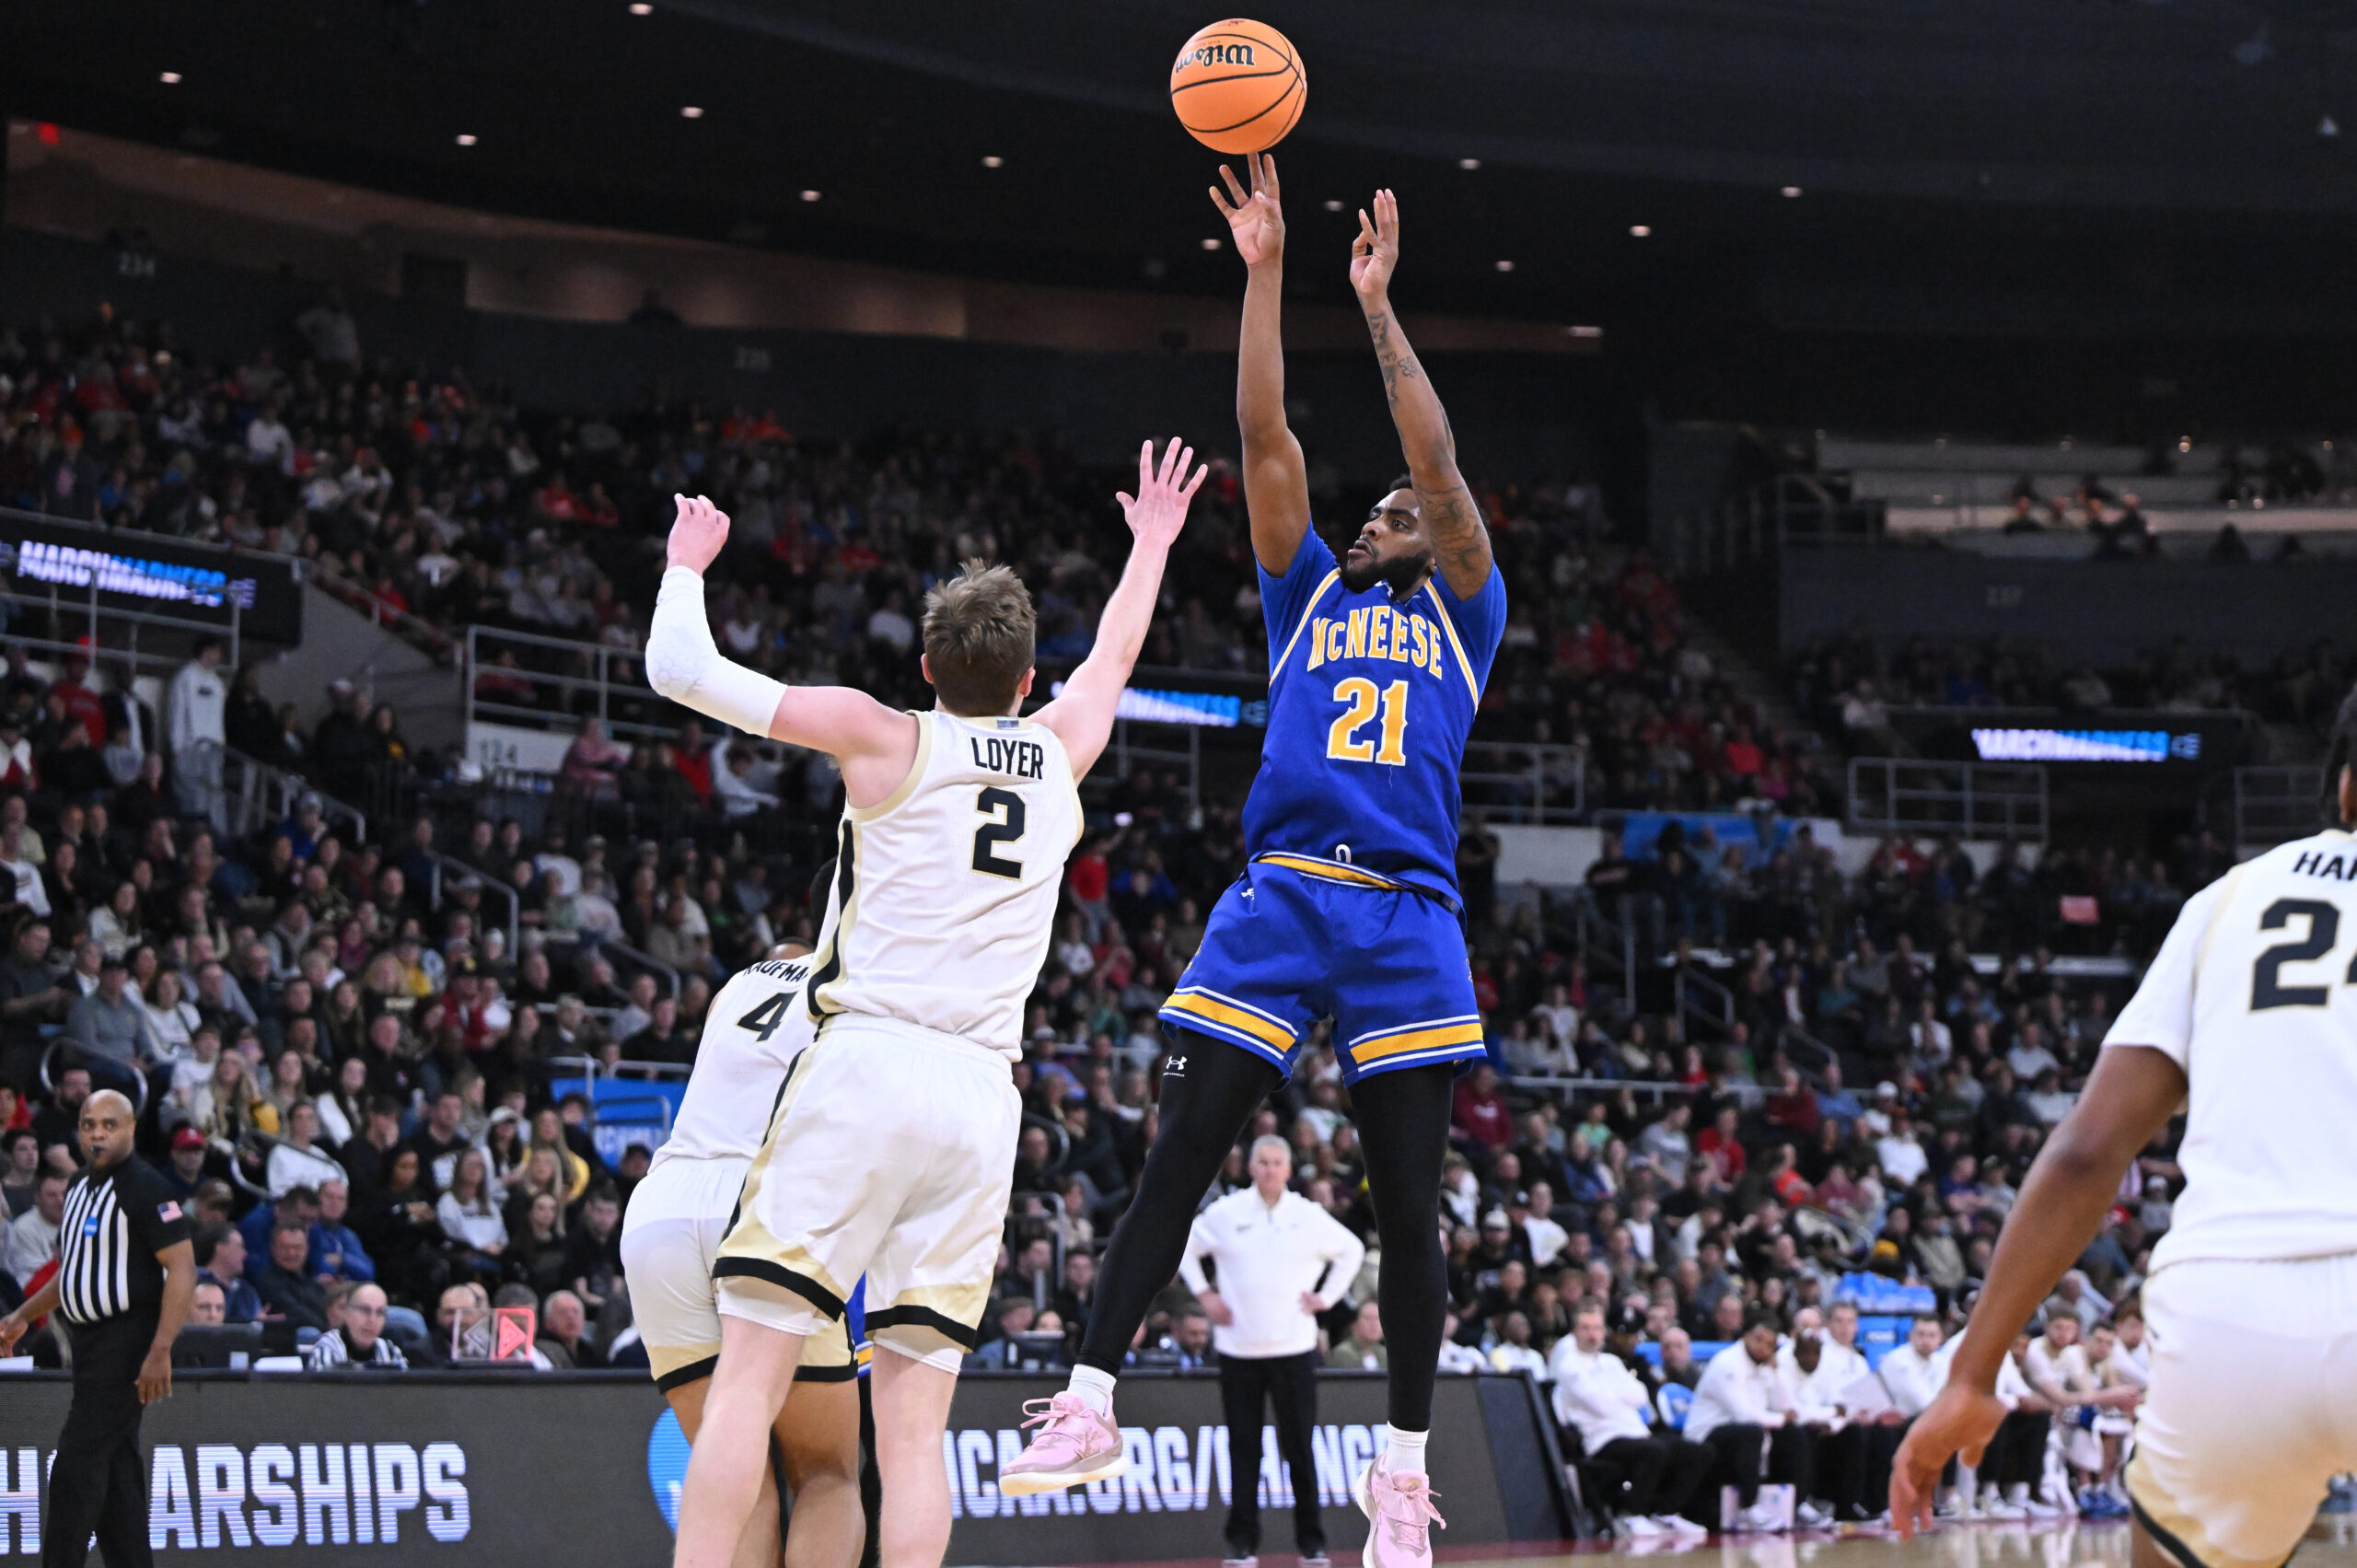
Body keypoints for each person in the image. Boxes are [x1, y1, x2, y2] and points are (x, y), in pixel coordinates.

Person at [1008, 157, 1505, 1568]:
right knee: (1177, 1153)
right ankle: (1089, 1399)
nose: (1370, 522)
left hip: (1408, 912)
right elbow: (1263, 430)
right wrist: (1267, 270)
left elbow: (1438, 468)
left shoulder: (1467, 611)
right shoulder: (1303, 598)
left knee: (1408, 1210)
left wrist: (1380, 306)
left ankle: (1399, 1475)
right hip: (1284, 893)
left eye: (1390, 518)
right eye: (1370, 516)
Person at [647, 435, 1205, 1568]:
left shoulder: (884, 734)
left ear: (927, 667)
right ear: (1025, 680)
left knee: (748, 1381)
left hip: (867, 1064)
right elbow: (1113, 654)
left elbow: (681, 670)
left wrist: (685, 565)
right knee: (913, 1436)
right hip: (980, 1095)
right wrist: (1150, 539)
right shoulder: (1060, 747)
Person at [1894, 682, 2357, 1564]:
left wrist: (1972, 1372)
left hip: (2236, 1313)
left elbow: (2085, 1152)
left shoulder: (2230, 902)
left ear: (2344, 789)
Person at [620, 942, 867, 1568]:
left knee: (740, 1479)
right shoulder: (863, 985)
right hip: (762, 1201)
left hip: (661, 1209)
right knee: (827, 1473)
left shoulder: (738, 985)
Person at [0, 1090, 195, 1568]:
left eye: (109, 1124)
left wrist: (161, 1348)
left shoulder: (148, 1187)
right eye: (89, 1124)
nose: (97, 1134)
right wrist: (22, 1314)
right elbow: (73, 1272)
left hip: (128, 1341)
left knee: (75, 1465)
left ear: (130, 1128)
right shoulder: (79, 1185)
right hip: (87, 1343)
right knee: (117, 1474)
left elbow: (183, 1269)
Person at [1178, 1133, 1364, 1568]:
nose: (1269, 1169)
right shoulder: (1226, 1212)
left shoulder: (1308, 1214)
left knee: (1299, 1448)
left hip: (1294, 1349)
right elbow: (1184, 1245)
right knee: (1243, 1450)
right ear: (1251, 1168)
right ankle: (1241, 1544)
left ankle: (1312, 1543)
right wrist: (1204, 1295)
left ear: (1288, 1169)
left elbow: (1352, 1250)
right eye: (1262, 1162)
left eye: (1277, 1162)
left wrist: (1326, 1298)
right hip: (1238, 1350)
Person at [1548, 1301, 1711, 1541]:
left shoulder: (1611, 1362)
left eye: (1597, 1328)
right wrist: (1618, 1393)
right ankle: (1633, 1514)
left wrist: (1612, 1392)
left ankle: (1665, 1511)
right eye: (1585, 1328)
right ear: (1575, 1331)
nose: (1592, 1335)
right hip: (1602, 1439)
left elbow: (1640, 1396)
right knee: (1654, 1450)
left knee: (1699, 1452)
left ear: (1604, 1331)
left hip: (1636, 1433)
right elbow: (1601, 1405)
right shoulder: (1569, 1366)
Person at [1687, 1309, 1826, 1531]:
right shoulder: (1727, 1363)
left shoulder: (1764, 1365)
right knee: (1751, 1432)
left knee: (1793, 1433)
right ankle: (1748, 1507)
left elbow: (1787, 1408)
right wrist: (1781, 1418)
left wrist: (1777, 1371)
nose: (1762, 1346)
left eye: (1769, 1343)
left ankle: (1798, 1503)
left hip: (1748, 1434)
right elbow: (1743, 1415)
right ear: (1745, 1336)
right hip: (1706, 1435)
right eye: (1758, 1339)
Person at [167, 636, 228, 827]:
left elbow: (218, 718)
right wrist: (176, 745)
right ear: (206, 650)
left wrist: (221, 744)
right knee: (193, 797)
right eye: (217, 651)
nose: (219, 656)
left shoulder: (217, 683)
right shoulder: (185, 677)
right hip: (190, 747)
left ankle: (215, 834)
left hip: (212, 749)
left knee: (214, 797)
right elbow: (177, 711)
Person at [304, 1280, 407, 1369]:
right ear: (348, 1313)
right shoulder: (327, 1348)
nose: (372, 1320)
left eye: (380, 1313)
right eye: (365, 1310)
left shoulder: (390, 1352)